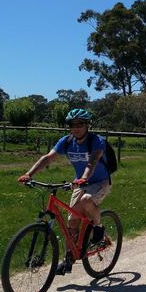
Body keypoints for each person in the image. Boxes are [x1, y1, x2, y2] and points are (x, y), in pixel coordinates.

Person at [17, 108, 112, 274]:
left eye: (80, 124)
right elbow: (47, 158)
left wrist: (83, 178)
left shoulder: (96, 140)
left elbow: (93, 161)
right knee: (72, 222)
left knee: (87, 201)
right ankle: (68, 259)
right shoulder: (66, 142)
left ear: (88, 125)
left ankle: (99, 227)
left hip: (100, 181)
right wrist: (28, 174)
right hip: (79, 183)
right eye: (72, 124)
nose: (76, 127)